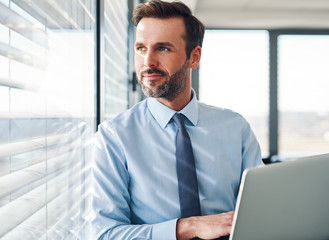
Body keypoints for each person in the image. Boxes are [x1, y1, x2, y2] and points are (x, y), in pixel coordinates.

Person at [90, 0, 262, 239]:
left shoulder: (236, 128)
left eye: (163, 48)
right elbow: (106, 233)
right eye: (141, 48)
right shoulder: (113, 137)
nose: (148, 62)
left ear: (194, 57)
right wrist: (187, 227)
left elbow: (260, 213)